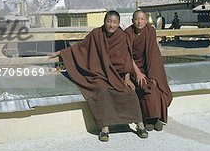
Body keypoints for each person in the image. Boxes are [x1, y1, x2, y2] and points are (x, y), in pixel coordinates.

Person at [49, 10, 148, 142]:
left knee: (129, 92)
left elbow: (126, 58)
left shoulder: (122, 36)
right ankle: (105, 128)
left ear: (118, 23)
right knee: (102, 92)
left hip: (117, 76)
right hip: (99, 75)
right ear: (104, 21)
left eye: (114, 22)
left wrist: (127, 78)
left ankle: (139, 124)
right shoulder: (96, 34)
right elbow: (81, 47)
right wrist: (62, 52)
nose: (111, 25)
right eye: (109, 21)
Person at [125, 10, 173, 131]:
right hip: (132, 69)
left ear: (146, 21)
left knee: (155, 85)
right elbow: (127, 56)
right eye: (137, 19)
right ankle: (148, 119)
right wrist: (138, 73)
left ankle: (156, 118)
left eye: (142, 19)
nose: (139, 21)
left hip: (148, 67)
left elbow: (153, 54)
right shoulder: (127, 33)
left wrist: (153, 74)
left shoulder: (150, 31)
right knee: (144, 86)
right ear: (132, 20)